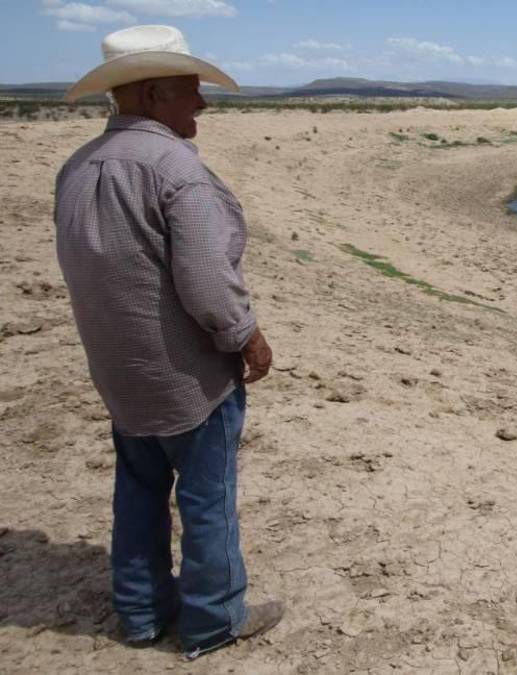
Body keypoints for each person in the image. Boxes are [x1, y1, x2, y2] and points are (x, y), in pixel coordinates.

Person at [55, 25, 283, 659]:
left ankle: (141, 613)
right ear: (154, 95)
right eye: (190, 90)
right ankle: (214, 621)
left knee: (138, 491)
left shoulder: (78, 166)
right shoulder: (174, 166)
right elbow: (206, 281)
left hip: (118, 369)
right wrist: (247, 338)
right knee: (208, 500)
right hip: (186, 375)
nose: (202, 102)